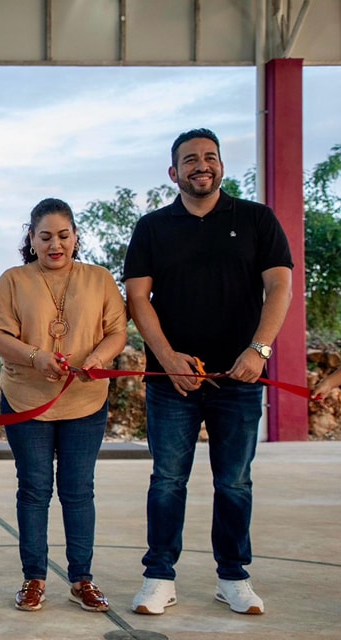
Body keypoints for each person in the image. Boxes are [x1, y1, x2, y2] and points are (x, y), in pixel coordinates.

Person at [123, 128, 293, 616]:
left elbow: (280, 287)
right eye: (190, 159)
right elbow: (137, 297)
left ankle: (233, 577)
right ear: (173, 172)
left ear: (221, 166)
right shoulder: (152, 227)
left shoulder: (257, 219)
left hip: (239, 379)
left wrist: (258, 350)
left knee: (235, 482)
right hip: (171, 381)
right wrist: (167, 357)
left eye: (210, 157)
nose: (202, 165)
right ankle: (159, 576)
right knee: (167, 480)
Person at [0, 198, 127, 614]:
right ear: (31, 239)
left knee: (78, 490)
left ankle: (82, 579)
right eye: (45, 237)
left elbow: (117, 332)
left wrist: (98, 358)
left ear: (76, 237)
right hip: (25, 401)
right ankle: (34, 578)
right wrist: (36, 356)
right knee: (34, 489)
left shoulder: (99, 279)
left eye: (63, 235)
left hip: (85, 401)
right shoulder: (13, 279)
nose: (55, 244)